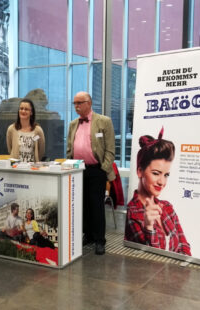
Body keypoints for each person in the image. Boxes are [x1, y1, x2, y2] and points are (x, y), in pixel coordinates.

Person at [125, 128, 191, 256]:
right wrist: (149, 227)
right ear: (140, 171)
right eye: (156, 173)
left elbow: (184, 245)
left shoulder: (167, 207)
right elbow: (150, 257)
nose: (162, 182)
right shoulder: (132, 213)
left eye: (166, 175)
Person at [66, 91, 115, 255]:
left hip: (96, 170)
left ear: (89, 103)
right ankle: (88, 234)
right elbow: (69, 148)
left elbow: (110, 149)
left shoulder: (104, 121)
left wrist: (104, 168)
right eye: (74, 103)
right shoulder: (73, 124)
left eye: (79, 103)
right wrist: (70, 165)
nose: (76, 106)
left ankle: (100, 240)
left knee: (96, 206)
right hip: (78, 170)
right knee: (82, 205)